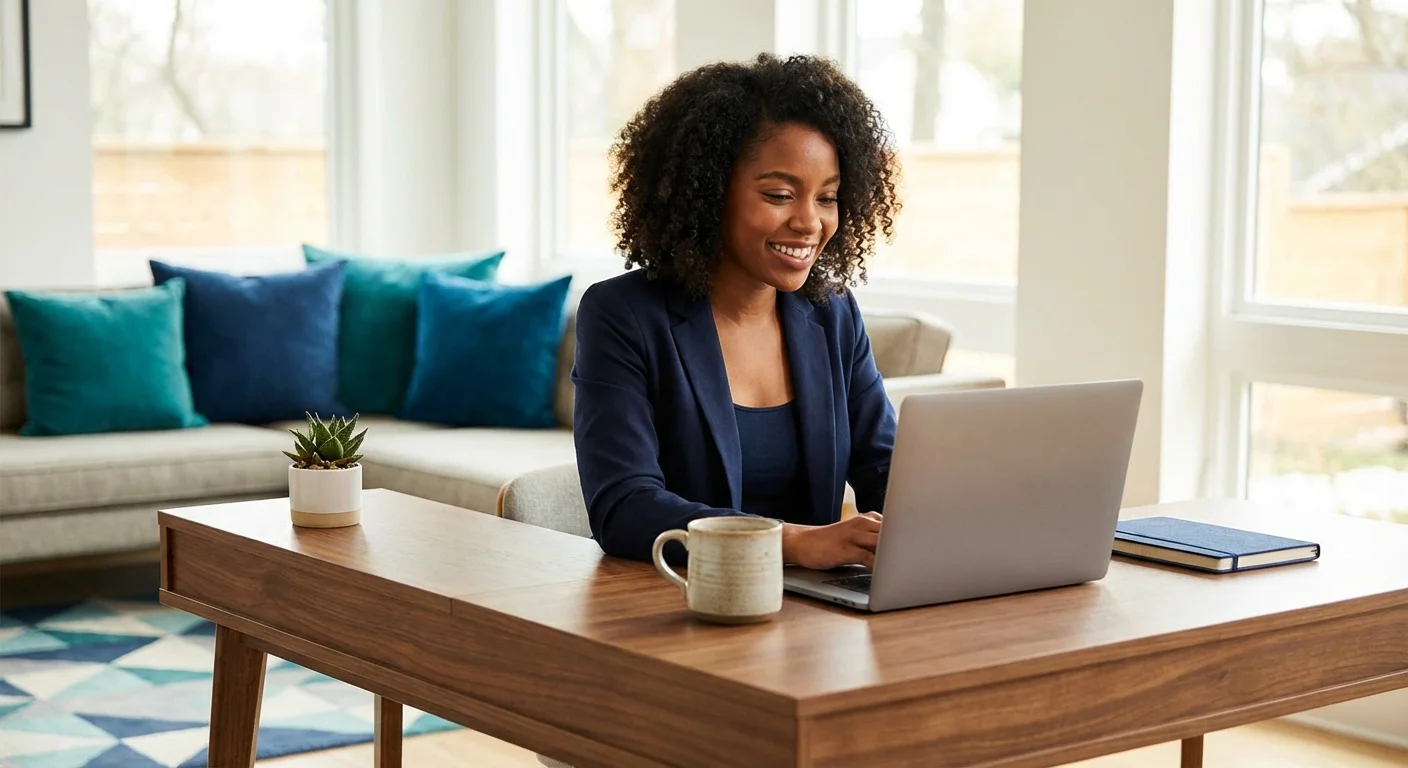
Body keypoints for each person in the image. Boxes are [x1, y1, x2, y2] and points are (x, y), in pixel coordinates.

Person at [571, 52, 903, 570]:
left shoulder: (831, 314)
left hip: (810, 617)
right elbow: (623, 506)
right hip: (679, 603)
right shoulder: (624, 315)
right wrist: (792, 543)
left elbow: (887, 471)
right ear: (706, 191)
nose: (810, 222)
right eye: (779, 194)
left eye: (828, 197)